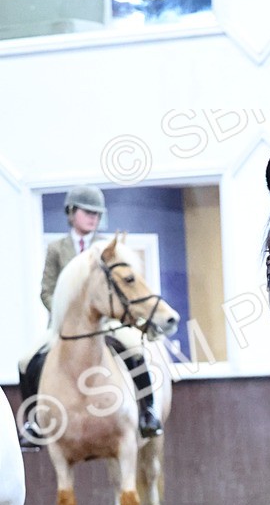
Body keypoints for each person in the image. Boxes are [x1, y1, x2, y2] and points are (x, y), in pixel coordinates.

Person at [18, 185, 163, 446]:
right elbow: (46, 291)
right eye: (88, 212)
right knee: (26, 361)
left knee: (135, 351)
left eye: (97, 214)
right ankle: (36, 422)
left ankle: (147, 412)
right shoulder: (56, 249)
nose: (93, 218)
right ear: (71, 212)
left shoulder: (108, 248)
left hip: (106, 323)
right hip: (64, 327)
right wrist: (66, 315)